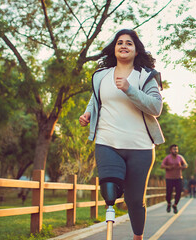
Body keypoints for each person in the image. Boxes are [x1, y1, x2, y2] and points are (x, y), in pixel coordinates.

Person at [79, 29, 164, 240]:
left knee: (135, 200)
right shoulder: (101, 76)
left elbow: (156, 107)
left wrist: (130, 89)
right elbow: (96, 98)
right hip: (107, 142)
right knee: (109, 191)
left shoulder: (146, 76)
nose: (124, 46)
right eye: (120, 42)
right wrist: (88, 112)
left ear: (136, 51)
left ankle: (137, 237)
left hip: (140, 147)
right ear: (114, 48)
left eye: (129, 43)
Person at [161, 144, 188, 214]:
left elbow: (185, 165)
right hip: (169, 178)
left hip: (178, 178)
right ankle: (169, 203)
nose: (175, 150)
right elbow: (162, 165)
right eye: (174, 149)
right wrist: (168, 167)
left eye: (176, 149)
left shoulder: (180, 157)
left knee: (179, 192)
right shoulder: (167, 158)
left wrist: (182, 167)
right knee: (169, 193)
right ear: (170, 150)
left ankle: (175, 205)